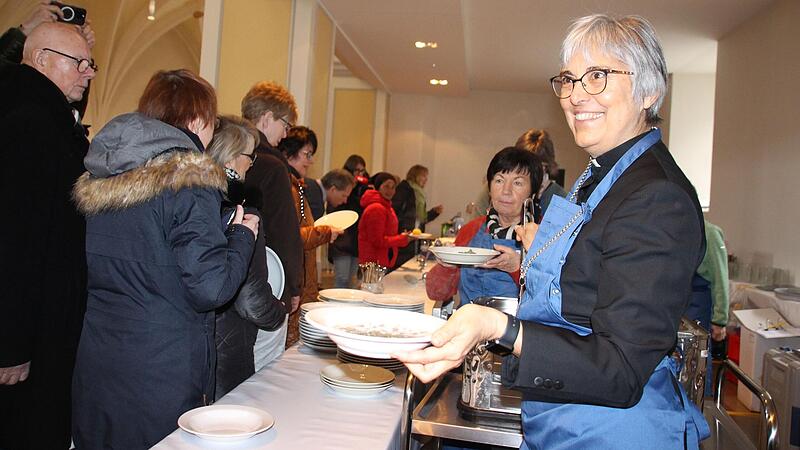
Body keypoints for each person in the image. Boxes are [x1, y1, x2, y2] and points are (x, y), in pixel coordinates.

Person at [395, 14, 709, 449]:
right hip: (566, 416)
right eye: (568, 79)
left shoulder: (657, 195)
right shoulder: (605, 176)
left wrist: (498, 327)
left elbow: (619, 368)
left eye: (597, 76)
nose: (576, 95)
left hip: (612, 431)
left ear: (649, 91)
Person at [71, 69, 257, 449]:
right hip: (161, 365)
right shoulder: (189, 178)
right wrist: (242, 236)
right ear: (195, 119)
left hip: (99, 354)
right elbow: (211, 288)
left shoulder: (104, 172)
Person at [0, 22, 95, 450]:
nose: (88, 72)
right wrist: (12, 343)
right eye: (79, 64)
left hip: (42, 324)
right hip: (29, 335)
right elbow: (14, 241)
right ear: (41, 60)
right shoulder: (28, 124)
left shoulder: (43, 114)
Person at [208, 115, 288, 400]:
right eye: (249, 156)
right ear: (230, 159)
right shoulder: (243, 215)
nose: (252, 164)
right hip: (229, 347)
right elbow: (251, 300)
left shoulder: (190, 202)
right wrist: (280, 312)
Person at [426, 148, 543, 305]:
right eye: (499, 180)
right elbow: (436, 292)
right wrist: (447, 266)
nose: (506, 191)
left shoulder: (544, 236)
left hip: (517, 327)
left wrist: (517, 268)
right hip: (468, 324)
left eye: (518, 183)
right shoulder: (472, 229)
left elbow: (550, 302)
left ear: (533, 193)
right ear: (489, 188)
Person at [241, 80, 303, 368]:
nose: (286, 133)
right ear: (266, 118)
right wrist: (293, 286)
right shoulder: (272, 165)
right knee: (263, 366)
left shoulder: (222, 151)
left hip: (233, 278)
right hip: (268, 280)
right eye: (285, 124)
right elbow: (283, 231)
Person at [278, 126, 342, 347]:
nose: (310, 161)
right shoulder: (286, 186)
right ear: (288, 154)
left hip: (300, 280)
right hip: (293, 281)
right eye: (307, 154)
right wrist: (325, 232)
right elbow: (293, 237)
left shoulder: (296, 186)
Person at [329, 154, 370, 287]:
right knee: (341, 278)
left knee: (351, 279)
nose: (359, 174)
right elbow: (336, 209)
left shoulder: (362, 188)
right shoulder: (341, 185)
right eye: (356, 170)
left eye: (362, 171)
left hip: (355, 241)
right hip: (342, 241)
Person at [358, 172, 413, 268]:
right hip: (374, 263)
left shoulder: (386, 206)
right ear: (378, 187)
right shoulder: (376, 208)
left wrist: (402, 237)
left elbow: (388, 234)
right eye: (386, 186)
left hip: (381, 260)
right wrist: (402, 239)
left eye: (393, 187)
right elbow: (378, 241)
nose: (390, 191)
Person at [392, 165, 444, 267]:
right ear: (415, 175)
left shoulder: (419, 193)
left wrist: (434, 212)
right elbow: (396, 211)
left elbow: (420, 219)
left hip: (414, 237)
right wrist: (403, 230)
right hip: (404, 236)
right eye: (423, 176)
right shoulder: (404, 189)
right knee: (400, 266)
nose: (426, 179)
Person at [515, 129, 567, 221]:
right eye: (523, 165)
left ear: (547, 166)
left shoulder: (560, 200)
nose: (528, 171)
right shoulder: (501, 189)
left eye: (536, 165)